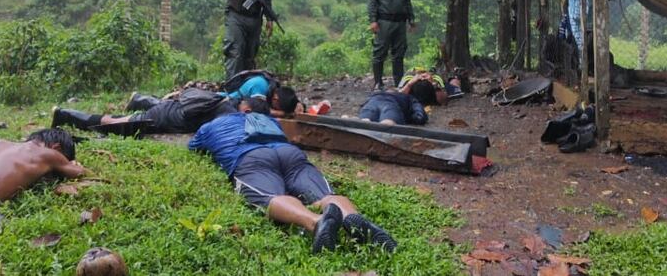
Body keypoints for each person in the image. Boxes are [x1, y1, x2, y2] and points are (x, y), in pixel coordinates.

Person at [189, 102, 396, 254]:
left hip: (251, 158)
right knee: (324, 195)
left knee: (270, 196)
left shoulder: (209, 127)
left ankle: (316, 222)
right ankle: (351, 217)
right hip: (288, 152)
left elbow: (193, 148)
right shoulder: (265, 119)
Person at [51, 87, 239, 136]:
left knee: (118, 121)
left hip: (169, 109)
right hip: (162, 117)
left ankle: (138, 99)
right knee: (115, 124)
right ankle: (65, 114)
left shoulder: (224, 100)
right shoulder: (229, 114)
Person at [367, 0, 415, 90]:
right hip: (384, 21)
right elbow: (372, 2)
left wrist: (411, 19)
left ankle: (399, 83)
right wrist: (373, 20)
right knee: (379, 52)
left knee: (399, 53)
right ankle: (378, 83)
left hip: (400, 22)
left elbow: (407, 1)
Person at [357, 89, 427, 126]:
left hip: (372, 103)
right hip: (390, 104)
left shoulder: (374, 94)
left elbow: (362, 106)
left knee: (364, 121)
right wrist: (409, 118)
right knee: (387, 125)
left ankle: (349, 119)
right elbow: (420, 116)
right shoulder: (406, 96)